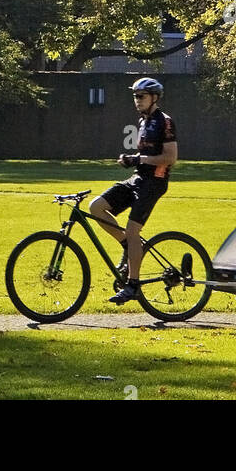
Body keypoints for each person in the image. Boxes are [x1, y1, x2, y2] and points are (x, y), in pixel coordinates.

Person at [88, 77, 178, 307]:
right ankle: (129, 245)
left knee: (133, 229)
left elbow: (170, 157)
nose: (137, 101)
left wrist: (139, 158)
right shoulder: (143, 122)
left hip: (154, 182)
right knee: (96, 207)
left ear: (154, 98)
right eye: (135, 96)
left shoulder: (164, 122)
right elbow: (143, 158)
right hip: (138, 178)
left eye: (141, 97)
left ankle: (133, 285)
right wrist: (130, 161)